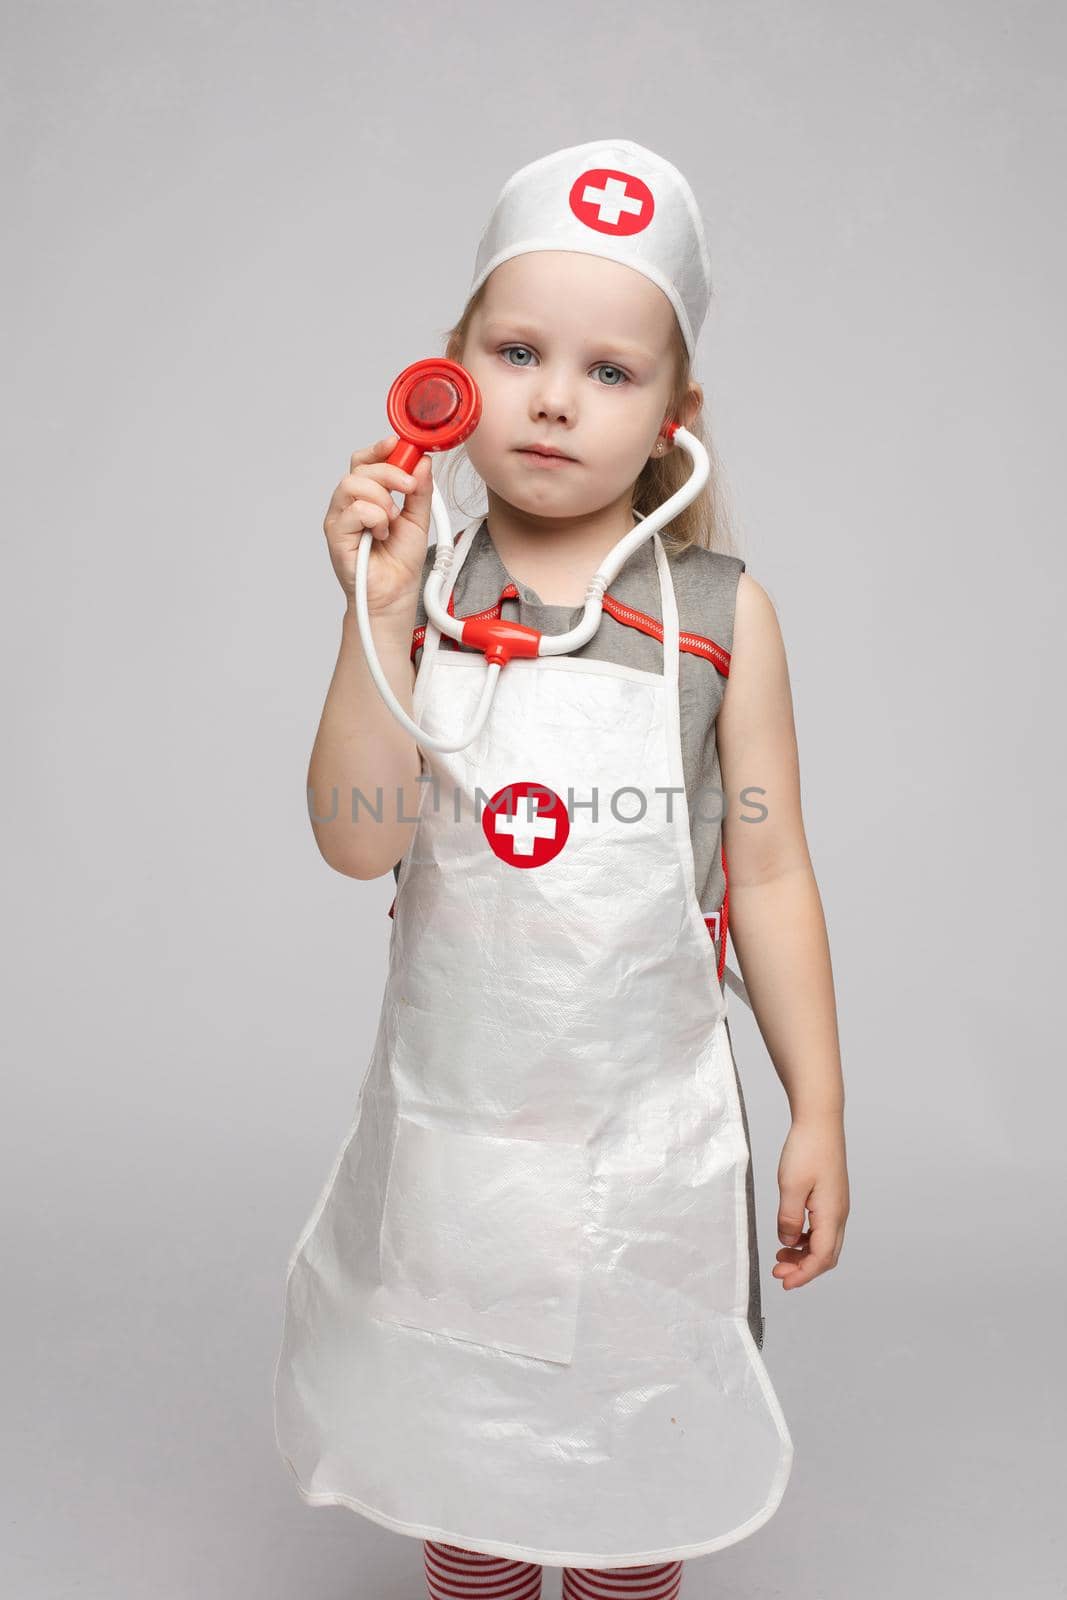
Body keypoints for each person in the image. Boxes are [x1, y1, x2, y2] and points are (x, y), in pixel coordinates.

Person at [273, 139, 850, 1600]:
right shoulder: (426, 587)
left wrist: (820, 1110)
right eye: (518, 352)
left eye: (610, 370)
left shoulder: (723, 620)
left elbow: (772, 877)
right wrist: (374, 611)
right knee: (466, 1461)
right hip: (460, 1135)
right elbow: (357, 839)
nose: (554, 396)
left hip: (649, 1144)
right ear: (451, 372)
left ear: (675, 413)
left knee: (626, 1472)